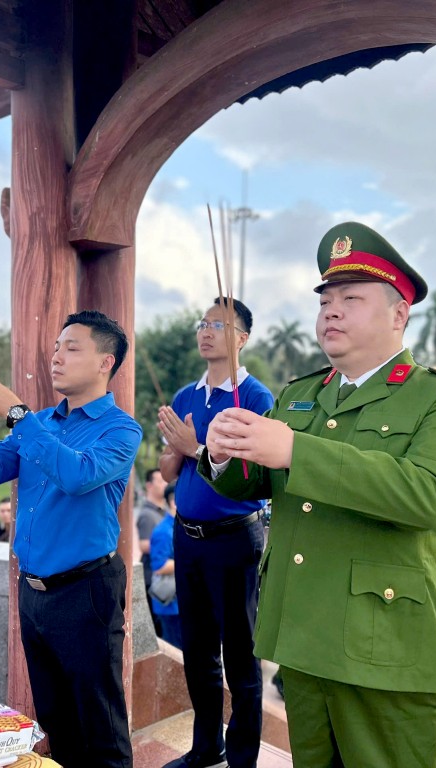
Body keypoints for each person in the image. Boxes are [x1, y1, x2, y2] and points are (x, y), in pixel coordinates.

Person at [201, 221, 436, 767]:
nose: (331, 311)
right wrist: (221, 453)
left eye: (351, 299)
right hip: (302, 638)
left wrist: (295, 451)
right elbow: (260, 481)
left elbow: (430, 496)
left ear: (399, 314)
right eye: (326, 300)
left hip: (386, 649)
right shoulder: (301, 394)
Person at [0, 309, 141, 768]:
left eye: (71, 348)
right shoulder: (40, 422)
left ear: (105, 363)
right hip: (34, 592)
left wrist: (16, 412)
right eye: (56, 347)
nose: (56, 356)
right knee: (57, 721)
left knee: (101, 724)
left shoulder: (120, 430)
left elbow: (77, 475)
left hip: (86, 591)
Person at [157, 296, 274, 768]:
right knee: (197, 649)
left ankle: (243, 757)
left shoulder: (257, 399)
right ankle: (207, 747)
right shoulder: (187, 396)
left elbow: (252, 472)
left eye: (219, 325)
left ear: (241, 338)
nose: (206, 331)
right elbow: (168, 472)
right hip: (188, 538)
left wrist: (194, 445)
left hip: (234, 538)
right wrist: (174, 449)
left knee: (241, 655)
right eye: (203, 323)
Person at [149, 483, 182, 649]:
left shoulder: (177, 526)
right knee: (177, 653)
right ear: (173, 502)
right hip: (170, 605)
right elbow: (159, 565)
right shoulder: (163, 531)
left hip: (179, 603)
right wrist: (191, 561)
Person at [137, 468, 168, 632]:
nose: (165, 484)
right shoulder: (148, 515)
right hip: (153, 578)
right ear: (149, 485)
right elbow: (143, 544)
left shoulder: (162, 512)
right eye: (160, 481)